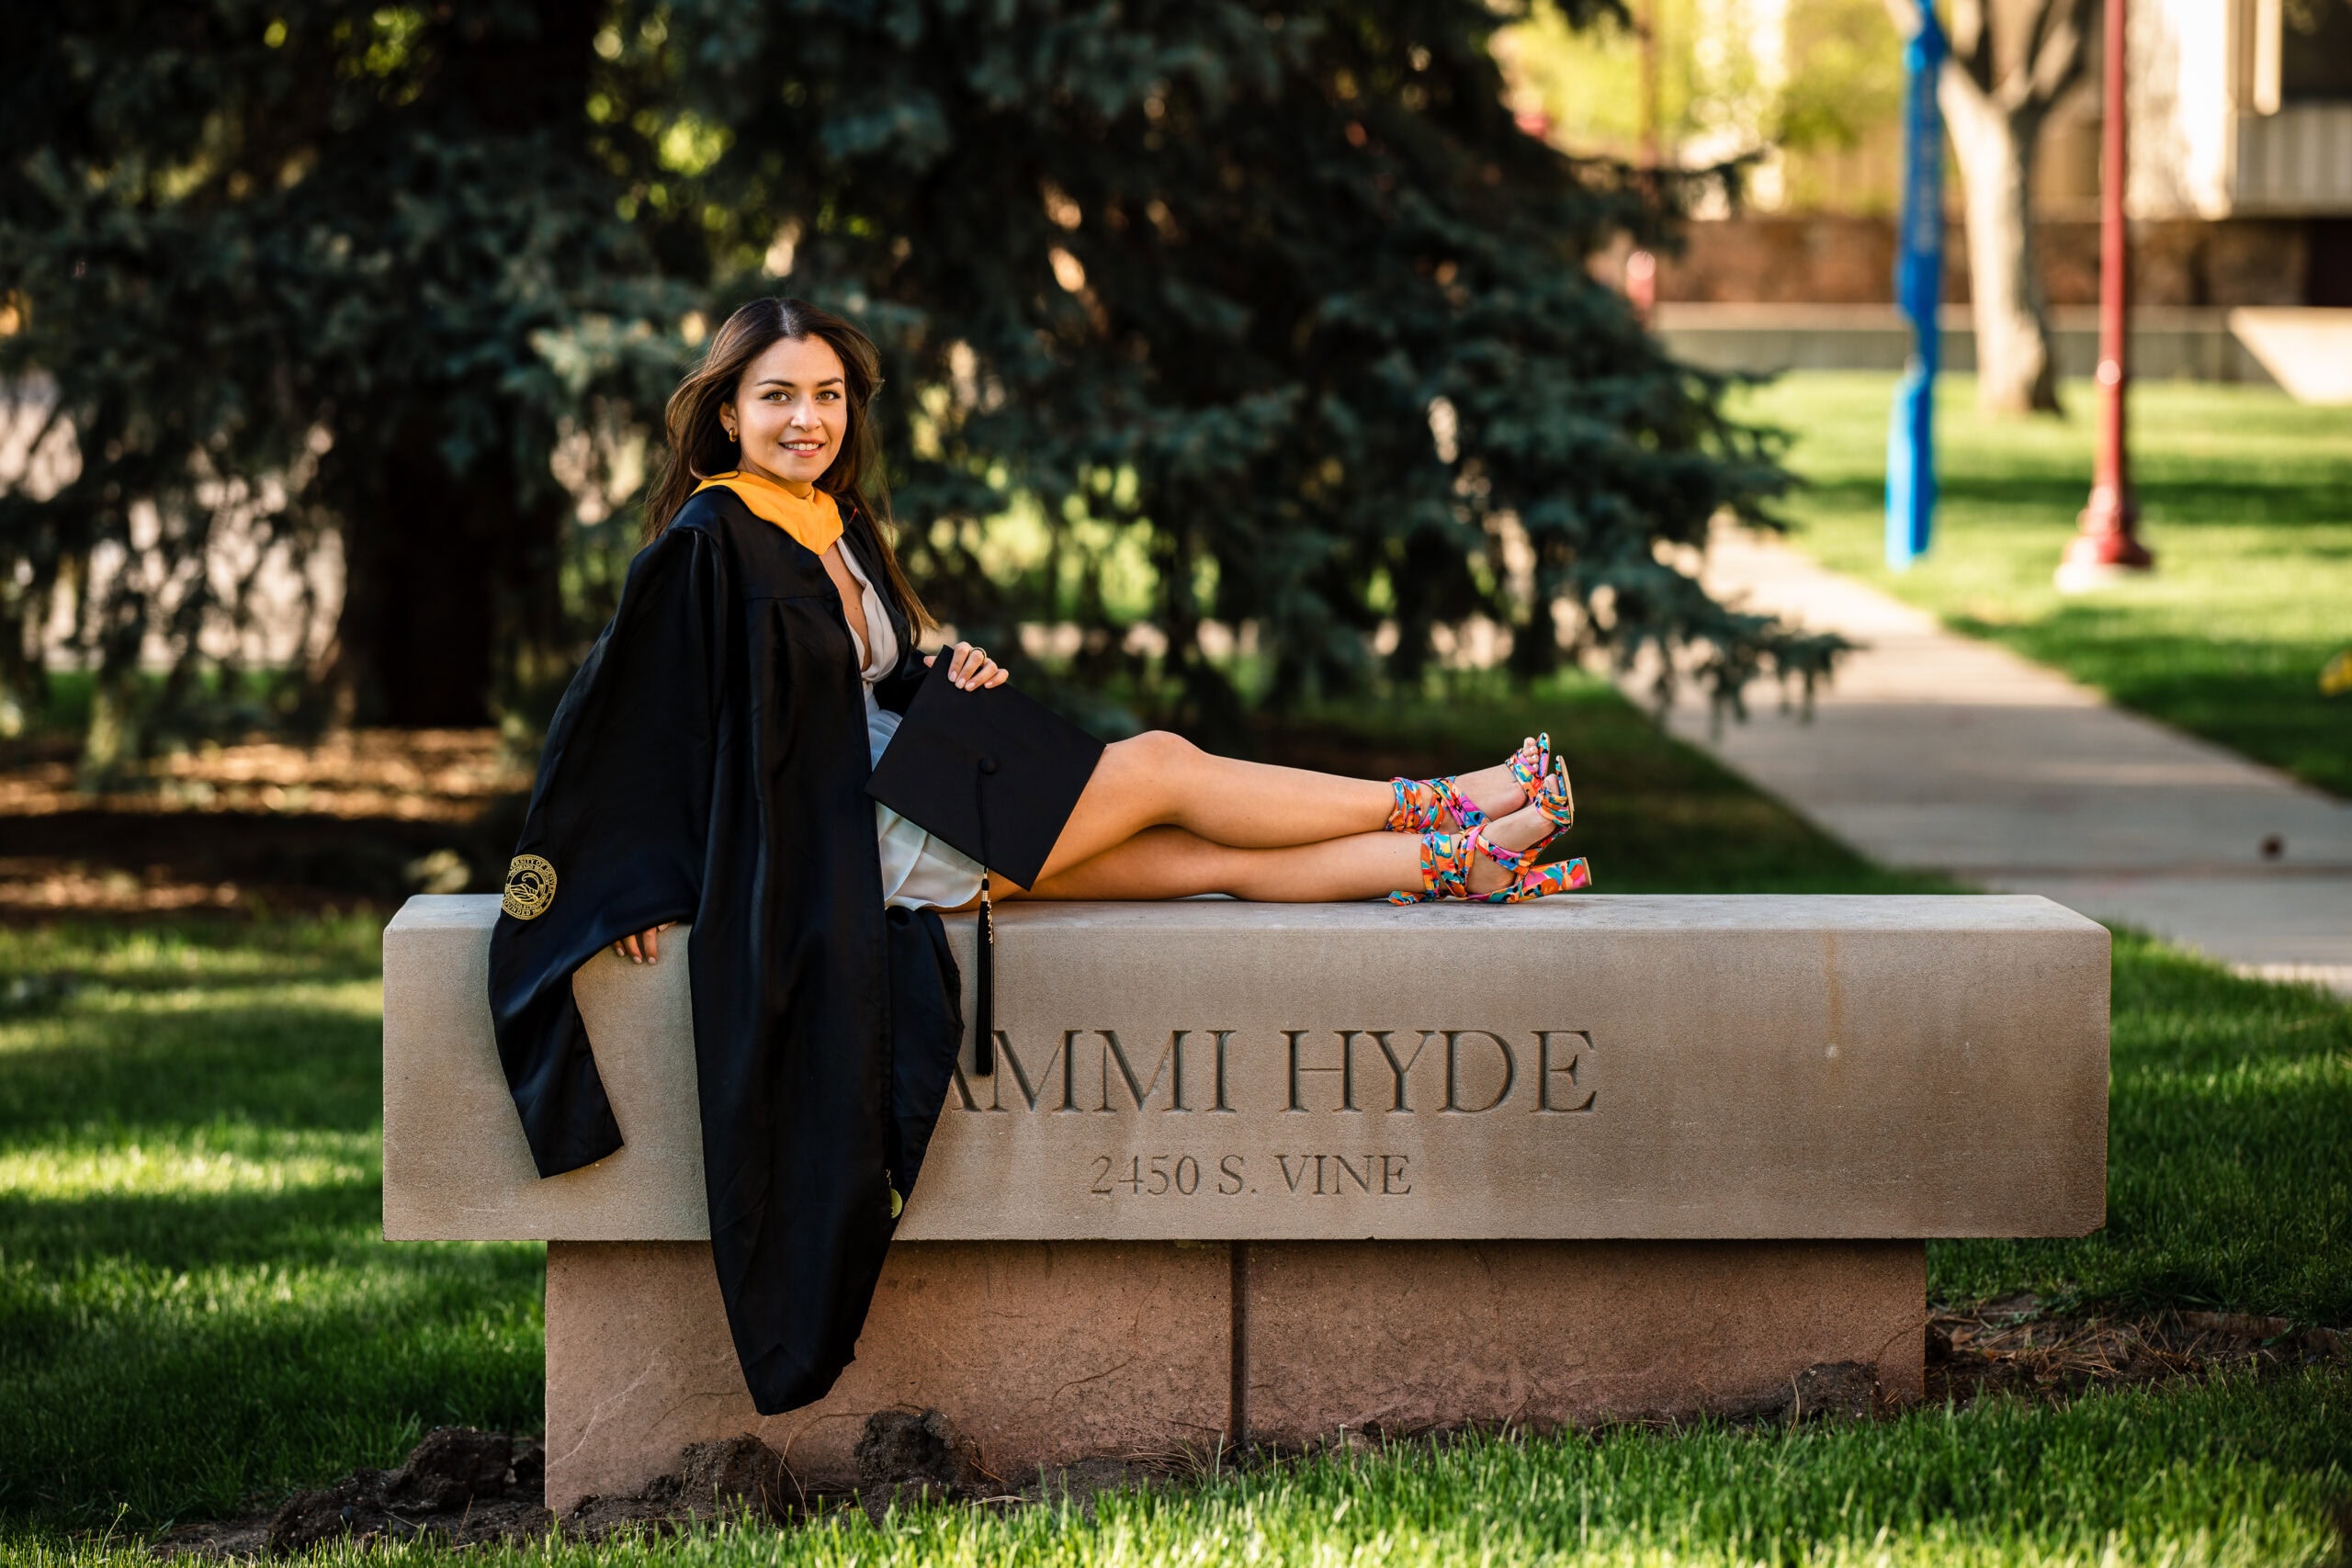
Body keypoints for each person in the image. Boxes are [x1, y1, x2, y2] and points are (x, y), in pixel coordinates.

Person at [486, 298, 1586, 1418]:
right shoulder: (706, 542)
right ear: (725, 413)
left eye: (825, 395)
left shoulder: (830, 518)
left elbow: (854, 684)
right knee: (1159, 767)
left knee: (1189, 858)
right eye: (776, 397)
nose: (806, 419)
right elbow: (621, 725)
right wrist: (639, 882)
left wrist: (942, 672)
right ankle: (1457, 799)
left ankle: (1467, 864)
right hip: (857, 838)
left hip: (916, 781)